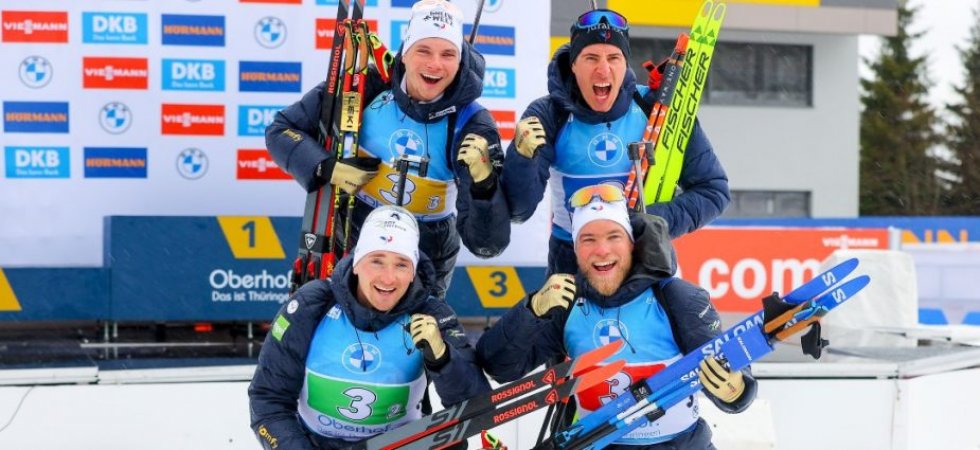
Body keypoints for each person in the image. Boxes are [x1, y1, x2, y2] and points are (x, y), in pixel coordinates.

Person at [476, 185, 755, 449]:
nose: (602, 250)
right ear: (575, 249)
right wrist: (531, 311)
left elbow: (734, 377)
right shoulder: (564, 301)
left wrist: (735, 389)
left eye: (614, 236)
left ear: (632, 244)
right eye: (588, 239)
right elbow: (501, 367)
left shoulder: (676, 298)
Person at [267, 0, 509, 299]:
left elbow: (487, 243)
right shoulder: (366, 85)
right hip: (355, 228)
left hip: (426, 250)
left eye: (448, 54)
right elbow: (282, 130)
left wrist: (485, 186)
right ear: (405, 52)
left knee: (411, 339)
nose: (435, 64)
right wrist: (325, 167)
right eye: (424, 51)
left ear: (460, 61)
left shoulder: (473, 122)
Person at [503, 8, 730, 275]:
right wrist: (521, 158)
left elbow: (713, 192)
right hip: (572, 262)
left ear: (625, 63)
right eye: (590, 58)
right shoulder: (549, 115)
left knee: (691, 312)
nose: (603, 69)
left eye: (614, 57)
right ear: (573, 64)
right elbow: (519, 210)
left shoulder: (654, 107)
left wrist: (651, 220)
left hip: (644, 256)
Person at [249, 205, 490, 450]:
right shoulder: (312, 304)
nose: (388, 278)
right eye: (377, 261)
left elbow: (476, 409)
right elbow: (269, 400)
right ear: (356, 264)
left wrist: (443, 358)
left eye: (401, 265)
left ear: (413, 272)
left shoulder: (431, 315)